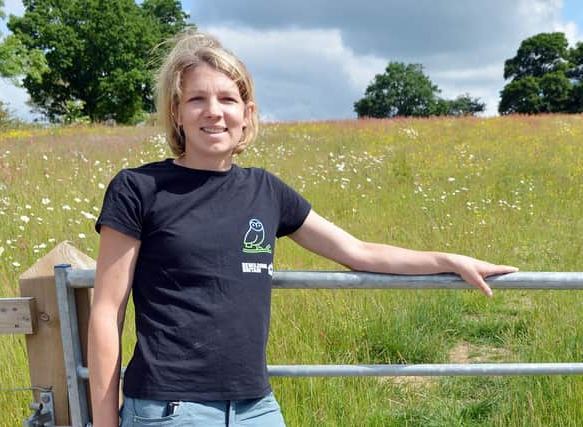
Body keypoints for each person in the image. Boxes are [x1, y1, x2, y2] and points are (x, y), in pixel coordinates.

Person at [88, 32, 517, 427]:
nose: (214, 111)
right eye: (197, 99)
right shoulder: (139, 188)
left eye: (227, 99)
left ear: (246, 113)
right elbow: (108, 312)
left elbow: (357, 252)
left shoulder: (266, 191)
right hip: (170, 409)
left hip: (257, 408)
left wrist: (447, 260)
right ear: (176, 112)